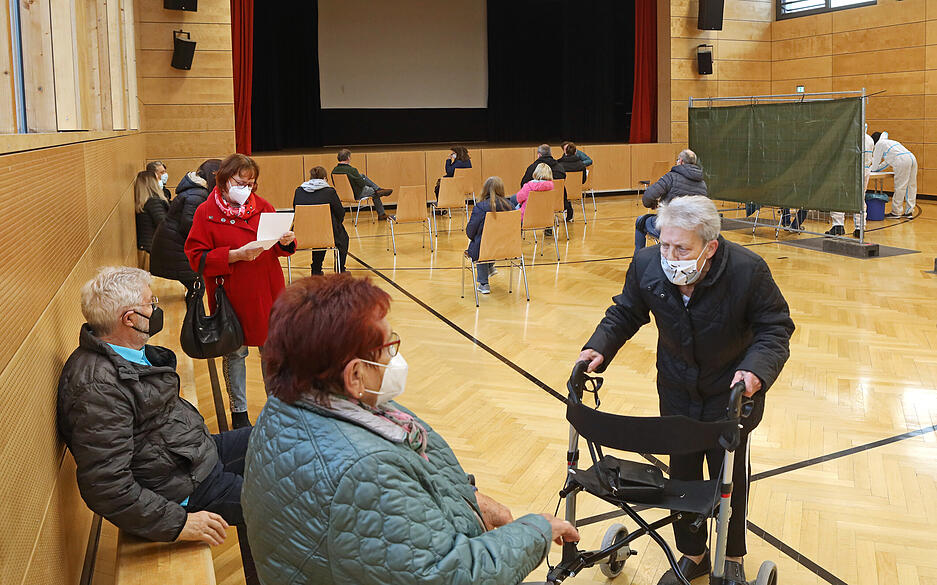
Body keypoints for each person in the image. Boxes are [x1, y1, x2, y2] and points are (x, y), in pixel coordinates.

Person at [242, 274, 580, 584]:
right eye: (388, 347)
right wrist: (535, 532)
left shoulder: (290, 406)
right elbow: (444, 575)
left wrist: (468, 498)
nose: (394, 359)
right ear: (355, 375)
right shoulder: (365, 471)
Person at [578, 196, 794, 585]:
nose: (669, 255)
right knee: (681, 477)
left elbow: (775, 328)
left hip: (731, 393)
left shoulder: (747, 271)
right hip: (677, 389)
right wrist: (600, 346)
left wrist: (754, 371)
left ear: (710, 247)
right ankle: (693, 554)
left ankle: (731, 557)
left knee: (728, 478)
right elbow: (626, 312)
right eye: (664, 244)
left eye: (681, 248)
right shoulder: (648, 264)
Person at [57, 266, 258, 583]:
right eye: (151, 304)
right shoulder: (97, 389)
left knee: (275, 437)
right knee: (279, 506)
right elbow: (107, 487)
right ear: (129, 318)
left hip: (191, 455)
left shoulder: (124, 352)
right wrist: (180, 523)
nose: (157, 309)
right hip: (183, 487)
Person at [184, 154, 296, 429]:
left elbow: (279, 248)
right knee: (235, 353)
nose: (245, 187)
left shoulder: (264, 207)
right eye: (239, 181)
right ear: (223, 179)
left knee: (272, 351)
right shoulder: (206, 213)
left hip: (268, 292)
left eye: (250, 182)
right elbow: (195, 257)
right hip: (231, 296)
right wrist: (234, 255)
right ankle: (239, 412)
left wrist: (287, 241)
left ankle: (277, 407)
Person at [150, 159, 222, 293]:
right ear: (214, 175)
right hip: (176, 247)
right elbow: (188, 224)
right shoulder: (197, 194)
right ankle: (195, 315)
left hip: (174, 244)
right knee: (197, 288)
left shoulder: (197, 191)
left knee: (197, 288)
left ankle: (195, 314)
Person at [635, 149, 707, 253]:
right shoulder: (702, 184)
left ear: (681, 161)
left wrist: (652, 204)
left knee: (640, 220)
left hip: (670, 227)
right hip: (692, 231)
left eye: (677, 160)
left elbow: (647, 197)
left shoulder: (671, 177)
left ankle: (638, 258)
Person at [293, 166, 349, 274]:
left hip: (302, 233)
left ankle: (316, 269)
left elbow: (295, 210)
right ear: (324, 178)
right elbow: (340, 212)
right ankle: (340, 269)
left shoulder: (299, 191)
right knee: (342, 238)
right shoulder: (329, 192)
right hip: (325, 232)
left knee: (319, 236)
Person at [466, 176, 514, 295]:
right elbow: (518, 226)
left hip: (485, 249)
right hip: (507, 248)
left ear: (485, 189)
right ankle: (490, 266)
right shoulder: (510, 206)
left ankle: (484, 283)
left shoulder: (480, 207)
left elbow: (470, 231)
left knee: (481, 242)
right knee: (488, 242)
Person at [827, 133, 872, 237]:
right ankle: (860, 228)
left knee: (838, 196)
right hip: (864, 172)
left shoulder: (846, 135)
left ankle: (838, 226)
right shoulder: (869, 139)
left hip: (846, 171)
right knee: (860, 199)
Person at [331, 148, 392, 221]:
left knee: (362, 176)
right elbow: (362, 184)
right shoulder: (352, 170)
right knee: (375, 193)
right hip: (357, 194)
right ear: (348, 158)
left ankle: (378, 190)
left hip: (343, 195)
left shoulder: (334, 171)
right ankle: (378, 194)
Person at [870, 131, 918, 219]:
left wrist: (870, 170)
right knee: (911, 186)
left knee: (900, 187)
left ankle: (896, 212)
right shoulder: (890, 142)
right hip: (912, 158)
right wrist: (876, 168)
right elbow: (887, 162)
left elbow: (875, 164)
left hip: (902, 161)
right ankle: (909, 211)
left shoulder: (879, 145)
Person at [521, 144, 569, 220]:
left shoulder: (532, 168)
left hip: (536, 204)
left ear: (539, 155)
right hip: (557, 202)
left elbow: (523, 185)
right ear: (550, 154)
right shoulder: (559, 167)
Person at [134, 171, 169, 263]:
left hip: (149, 244)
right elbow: (163, 223)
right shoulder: (153, 202)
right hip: (156, 244)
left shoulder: (145, 202)